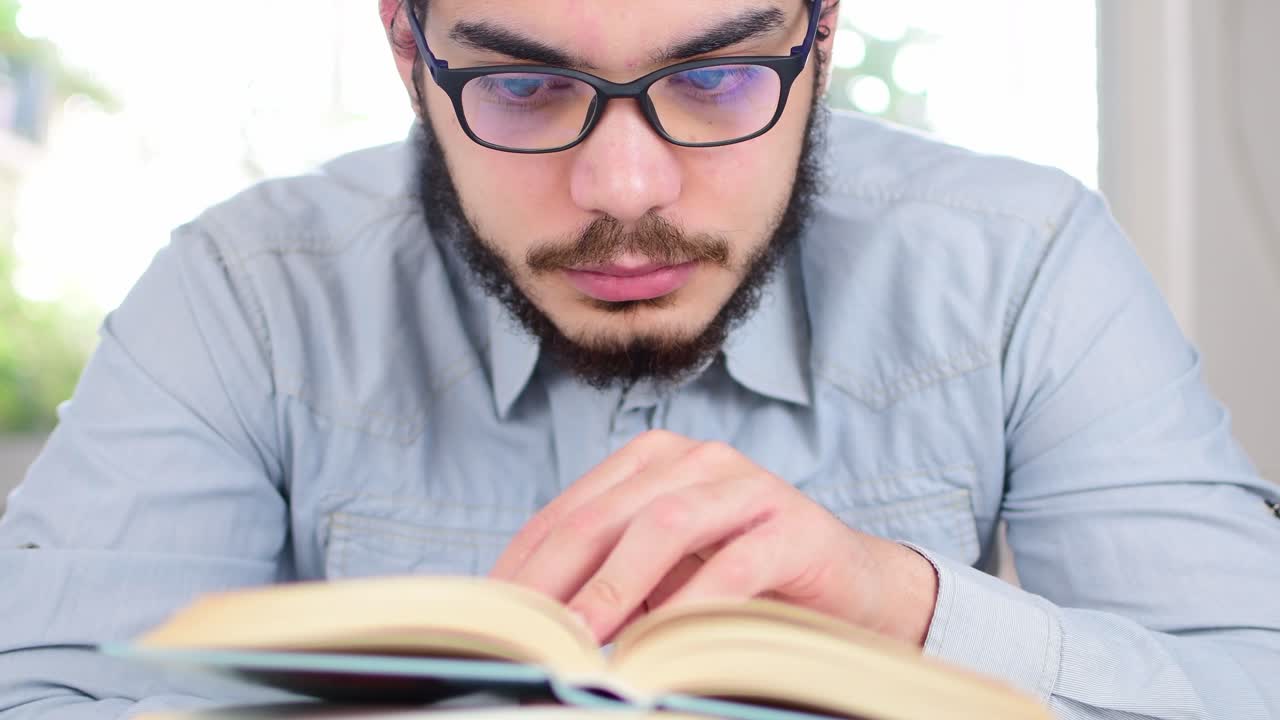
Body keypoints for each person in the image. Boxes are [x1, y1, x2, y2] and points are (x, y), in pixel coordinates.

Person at [1, 0, 1277, 717]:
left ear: (820, 37)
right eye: (520, 89)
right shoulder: (242, 294)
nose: (623, 188)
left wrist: (907, 608)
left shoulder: (1022, 260)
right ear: (410, 53)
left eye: (717, 78)